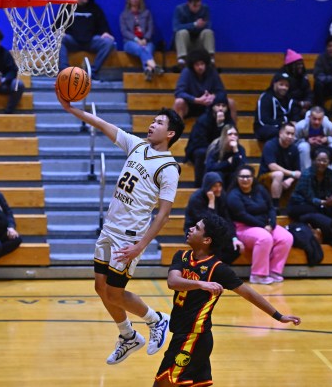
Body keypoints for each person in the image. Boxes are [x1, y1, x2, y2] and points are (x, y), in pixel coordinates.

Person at [56, 90, 185, 365]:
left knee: (115, 292)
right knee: (100, 287)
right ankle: (128, 336)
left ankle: (157, 319)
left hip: (129, 237)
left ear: (171, 133)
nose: (152, 124)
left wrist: (141, 246)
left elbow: (163, 215)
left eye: (159, 122)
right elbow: (101, 123)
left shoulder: (170, 168)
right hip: (109, 228)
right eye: (153, 120)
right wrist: (70, 109)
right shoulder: (137, 146)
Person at [154, 214, 301, 386]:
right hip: (184, 335)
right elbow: (173, 282)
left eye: (197, 228)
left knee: (162, 383)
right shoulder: (182, 256)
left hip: (193, 337)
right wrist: (203, 284)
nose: (191, 229)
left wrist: (279, 316)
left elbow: (249, 294)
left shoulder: (218, 269)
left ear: (207, 240)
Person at [227, 165, 294, 285]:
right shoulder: (233, 195)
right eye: (242, 176)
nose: (245, 179)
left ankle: (274, 271)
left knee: (286, 237)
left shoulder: (260, 190)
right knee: (264, 237)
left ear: (253, 178)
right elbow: (242, 216)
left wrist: (272, 224)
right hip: (244, 227)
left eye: (248, 176)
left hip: (265, 225)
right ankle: (258, 275)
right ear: (237, 178)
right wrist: (264, 226)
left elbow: (271, 208)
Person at [287, 147, 332, 250]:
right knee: (316, 211)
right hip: (300, 205)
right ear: (314, 160)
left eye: (325, 161)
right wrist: (325, 203)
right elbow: (309, 198)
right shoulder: (306, 174)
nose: (321, 163)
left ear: (329, 161)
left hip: (320, 204)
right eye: (319, 160)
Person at [183, 172, 244, 264]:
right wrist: (211, 202)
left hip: (214, 230)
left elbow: (227, 219)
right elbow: (206, 223)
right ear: (207, 186)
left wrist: (234, 238)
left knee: (236, 247)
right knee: (213, 244)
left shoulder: (221, 195)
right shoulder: (196, 198)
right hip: (195, 230)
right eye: (215, 186)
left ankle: (218, 268)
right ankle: (210, 268)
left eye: (220, 185)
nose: (218, 189)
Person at [59, 0, 115, 80]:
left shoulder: (94, 8)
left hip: (90, 41)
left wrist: (105, 33)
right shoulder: (67, 7)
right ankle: (65, 72)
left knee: (109, 43)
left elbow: (103, 25)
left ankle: (92, 72)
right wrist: (60, 32)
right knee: (59, 40)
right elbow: (56, 26)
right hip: (72, 40)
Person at [184, 93, 234, 187]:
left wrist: (221, 126)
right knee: (201, 153)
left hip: (223, 149)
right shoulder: (203, 120)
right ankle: (199, 185)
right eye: (218, 105)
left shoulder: (229, 121)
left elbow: (231, 138)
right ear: (212, 107)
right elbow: (199, 141)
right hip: (204, 148)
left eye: (223, 106)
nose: (220, 108)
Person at [173, 49, 236, 122]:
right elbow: (179, 92)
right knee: (178, 102)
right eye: (197, 65)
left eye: (202, 64)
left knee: (230, 102)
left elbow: (222, 92)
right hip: (191, 105)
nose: (200, 67)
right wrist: (196, 100)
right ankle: (176, 132)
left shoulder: (212, 71)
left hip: (209, 105)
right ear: (192, 65)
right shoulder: (186, 72)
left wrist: (213, 97)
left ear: (206, 64)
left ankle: (231, 130)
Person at [119, 0, 163, 81]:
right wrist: (136, 40)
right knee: (140, 49)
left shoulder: (147, 13)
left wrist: (145, 39)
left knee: (147, 48)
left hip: (146, 41)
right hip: (130, 42)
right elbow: (124, 31)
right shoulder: (124, 15)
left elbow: (151, 28)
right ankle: (154, 66)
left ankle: (148, 70)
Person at [257, 122, 301, 211]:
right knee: (279, 174)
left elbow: (298, 171)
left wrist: (290, 179)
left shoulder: (294, 148)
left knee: (303, 177)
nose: (290, 136)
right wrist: (292, 174)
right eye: (287, 133)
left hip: (286, 180)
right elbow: (272, 166)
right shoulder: (270, 145)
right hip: (265, 178)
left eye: (292, 134)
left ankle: (294, 208)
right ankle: (275, 206)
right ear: (280, 133)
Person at [172, 0, 215, 70]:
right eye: (194, 6)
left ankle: (210, 60)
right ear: (188, 3)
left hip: (199, 42)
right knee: (182, 32)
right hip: (185, 43)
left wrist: (202, 25)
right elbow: (176, 27)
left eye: (199, 5)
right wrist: (194, 24)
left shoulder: (204, 9)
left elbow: (209, 25)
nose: (197, 8)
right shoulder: (180, 9)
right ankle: (182, 60)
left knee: (208, 32)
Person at [294, 106, 332, 170]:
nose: (317, 122)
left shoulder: (328, 124)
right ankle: (306, 175)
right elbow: (292, 142)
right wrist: (306, 140)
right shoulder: (300, 125)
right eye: (314, 119)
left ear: (323, 118)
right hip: (308, 150)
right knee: (303, 146)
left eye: (319, 119)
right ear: (309, 117)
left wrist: (327, 139)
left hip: (323, 149)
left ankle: (330, 174)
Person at [254, 72, 294, 141]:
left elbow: (294, 116)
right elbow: (264, 121)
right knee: (278, 132)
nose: (284, 88)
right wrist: (282, 124)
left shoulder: (289, 99)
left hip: (283, 128)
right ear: (274, 84)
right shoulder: (266, 97)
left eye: (286, 85)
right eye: (281, 84)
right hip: (265, 128)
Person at [204, 124, 247, 188]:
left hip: (232, 176)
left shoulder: (240, 149)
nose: (233, 136)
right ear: (224, 136)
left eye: (235, 134)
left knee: (236, 176)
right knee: (218, 175)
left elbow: (242, 168)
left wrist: (236, 151)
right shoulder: (215, 147)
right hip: (219, 175)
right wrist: (227, 163)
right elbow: (209, 167)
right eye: (230, 134)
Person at [282, 49, 313, 120]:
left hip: (304, 106)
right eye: (297, 64)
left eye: (301, 64)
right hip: (289, 107)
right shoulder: (283, 78)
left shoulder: (304, 78)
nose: (300, 66)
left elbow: (308, 93)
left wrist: (306, 105)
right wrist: (299, 104)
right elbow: (284, 97)